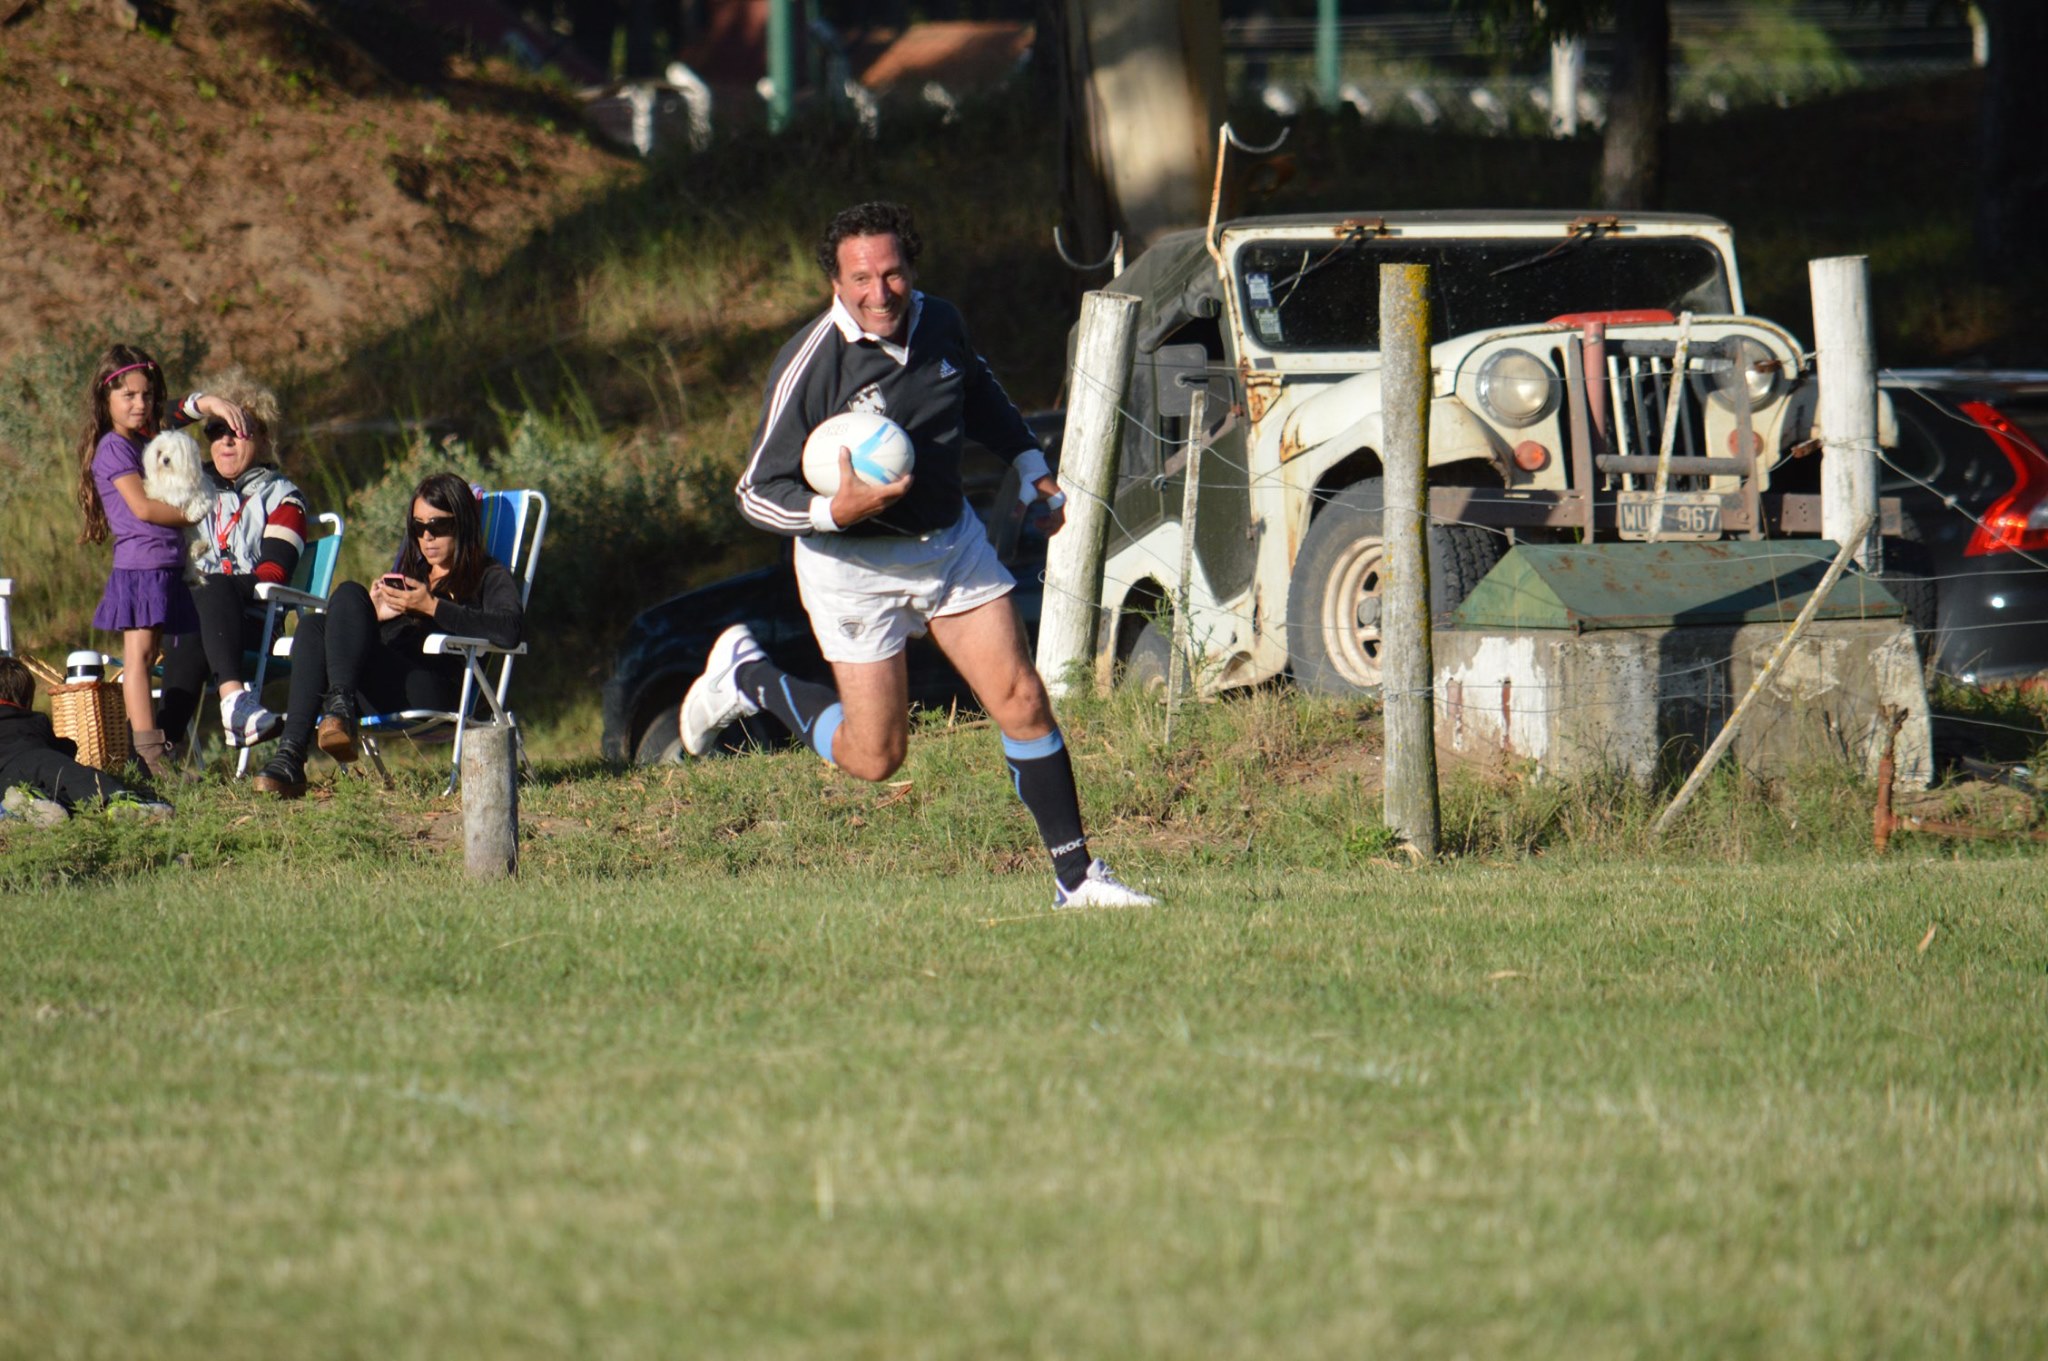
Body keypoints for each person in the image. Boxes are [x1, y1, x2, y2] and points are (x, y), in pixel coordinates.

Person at [680, 200, 1156, 909]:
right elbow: (755, 491)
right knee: (877, 756)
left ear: (912, 269)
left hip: (948, 548)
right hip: (852, 572)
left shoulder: (942, 322)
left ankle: (1077, 879)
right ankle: (750, 677)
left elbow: (983, 394)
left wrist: (1031, 464)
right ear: (836, 285)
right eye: (861, 278)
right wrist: (830, 511)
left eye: (893, 273)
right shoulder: (811, 364)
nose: (880, 293)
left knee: (1022, 698)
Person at [253, 472, 524, 797]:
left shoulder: (488, 576)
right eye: (418, 527)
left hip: (436, 689)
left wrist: (432, 606)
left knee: (345, 597)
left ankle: (332, 716)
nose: (427, 537)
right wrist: (375, 617)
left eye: (439, 526)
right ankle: (292, 755)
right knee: (319, 622)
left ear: (463, 524)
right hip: (382, 687)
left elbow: (508, 630)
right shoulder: (411, 577)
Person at [75, 343, 249, 777]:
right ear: (105, 398)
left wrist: (206, 402)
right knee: (137, 657)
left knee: (154, 654)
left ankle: (153, 749)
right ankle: (148, 754)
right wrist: (195, 512)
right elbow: (144, 508)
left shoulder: (144, 437)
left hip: (165, 563)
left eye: (145, 395)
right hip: (141, 565)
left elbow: (172, 414)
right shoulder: (115, 447)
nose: (139, 405)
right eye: (127, 396)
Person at [155, 369, 310, 754]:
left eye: (238, 430)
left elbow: (273, 571)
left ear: (262, 437)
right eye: (215, 429)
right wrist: (203, 403)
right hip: (194, 619)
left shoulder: (282, 497)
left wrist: (216, 583)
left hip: (252, 620)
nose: (225, 439)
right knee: (190, 623)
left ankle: (163, 743)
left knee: (209, 588)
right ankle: (164, 747)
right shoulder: (191, 486)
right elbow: (146, 425)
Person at [0, 656, 171, 823]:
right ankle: (118, 800)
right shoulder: (32, 721)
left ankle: (25, 805)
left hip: (7, 781)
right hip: (32, 763)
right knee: (74, 778)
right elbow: (61, 751)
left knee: (43, 789)